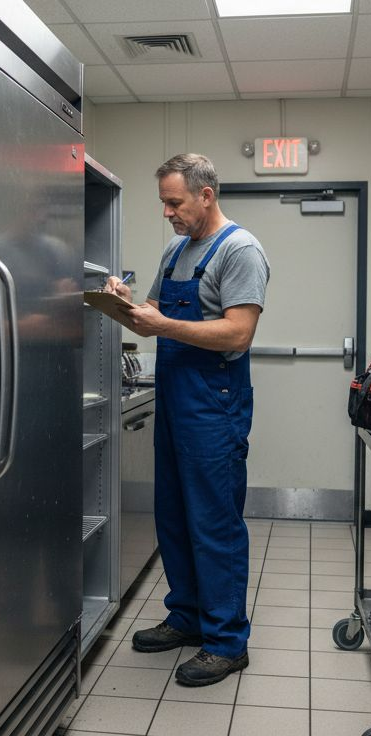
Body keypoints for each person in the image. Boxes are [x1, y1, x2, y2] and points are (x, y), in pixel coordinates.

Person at [103, 153, 269, 686]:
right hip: (176, 400)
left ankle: (226, 641)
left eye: (174, 202)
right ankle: (188, 617)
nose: (167, 213)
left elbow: (238, 333)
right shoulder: (176, 249)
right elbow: (153, 315)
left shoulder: (240, 250)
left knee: (214, 522)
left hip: (214, 404)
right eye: (164, 203)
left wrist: (164, 325)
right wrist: (126, 303)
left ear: (206, 195)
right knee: (173, 515)